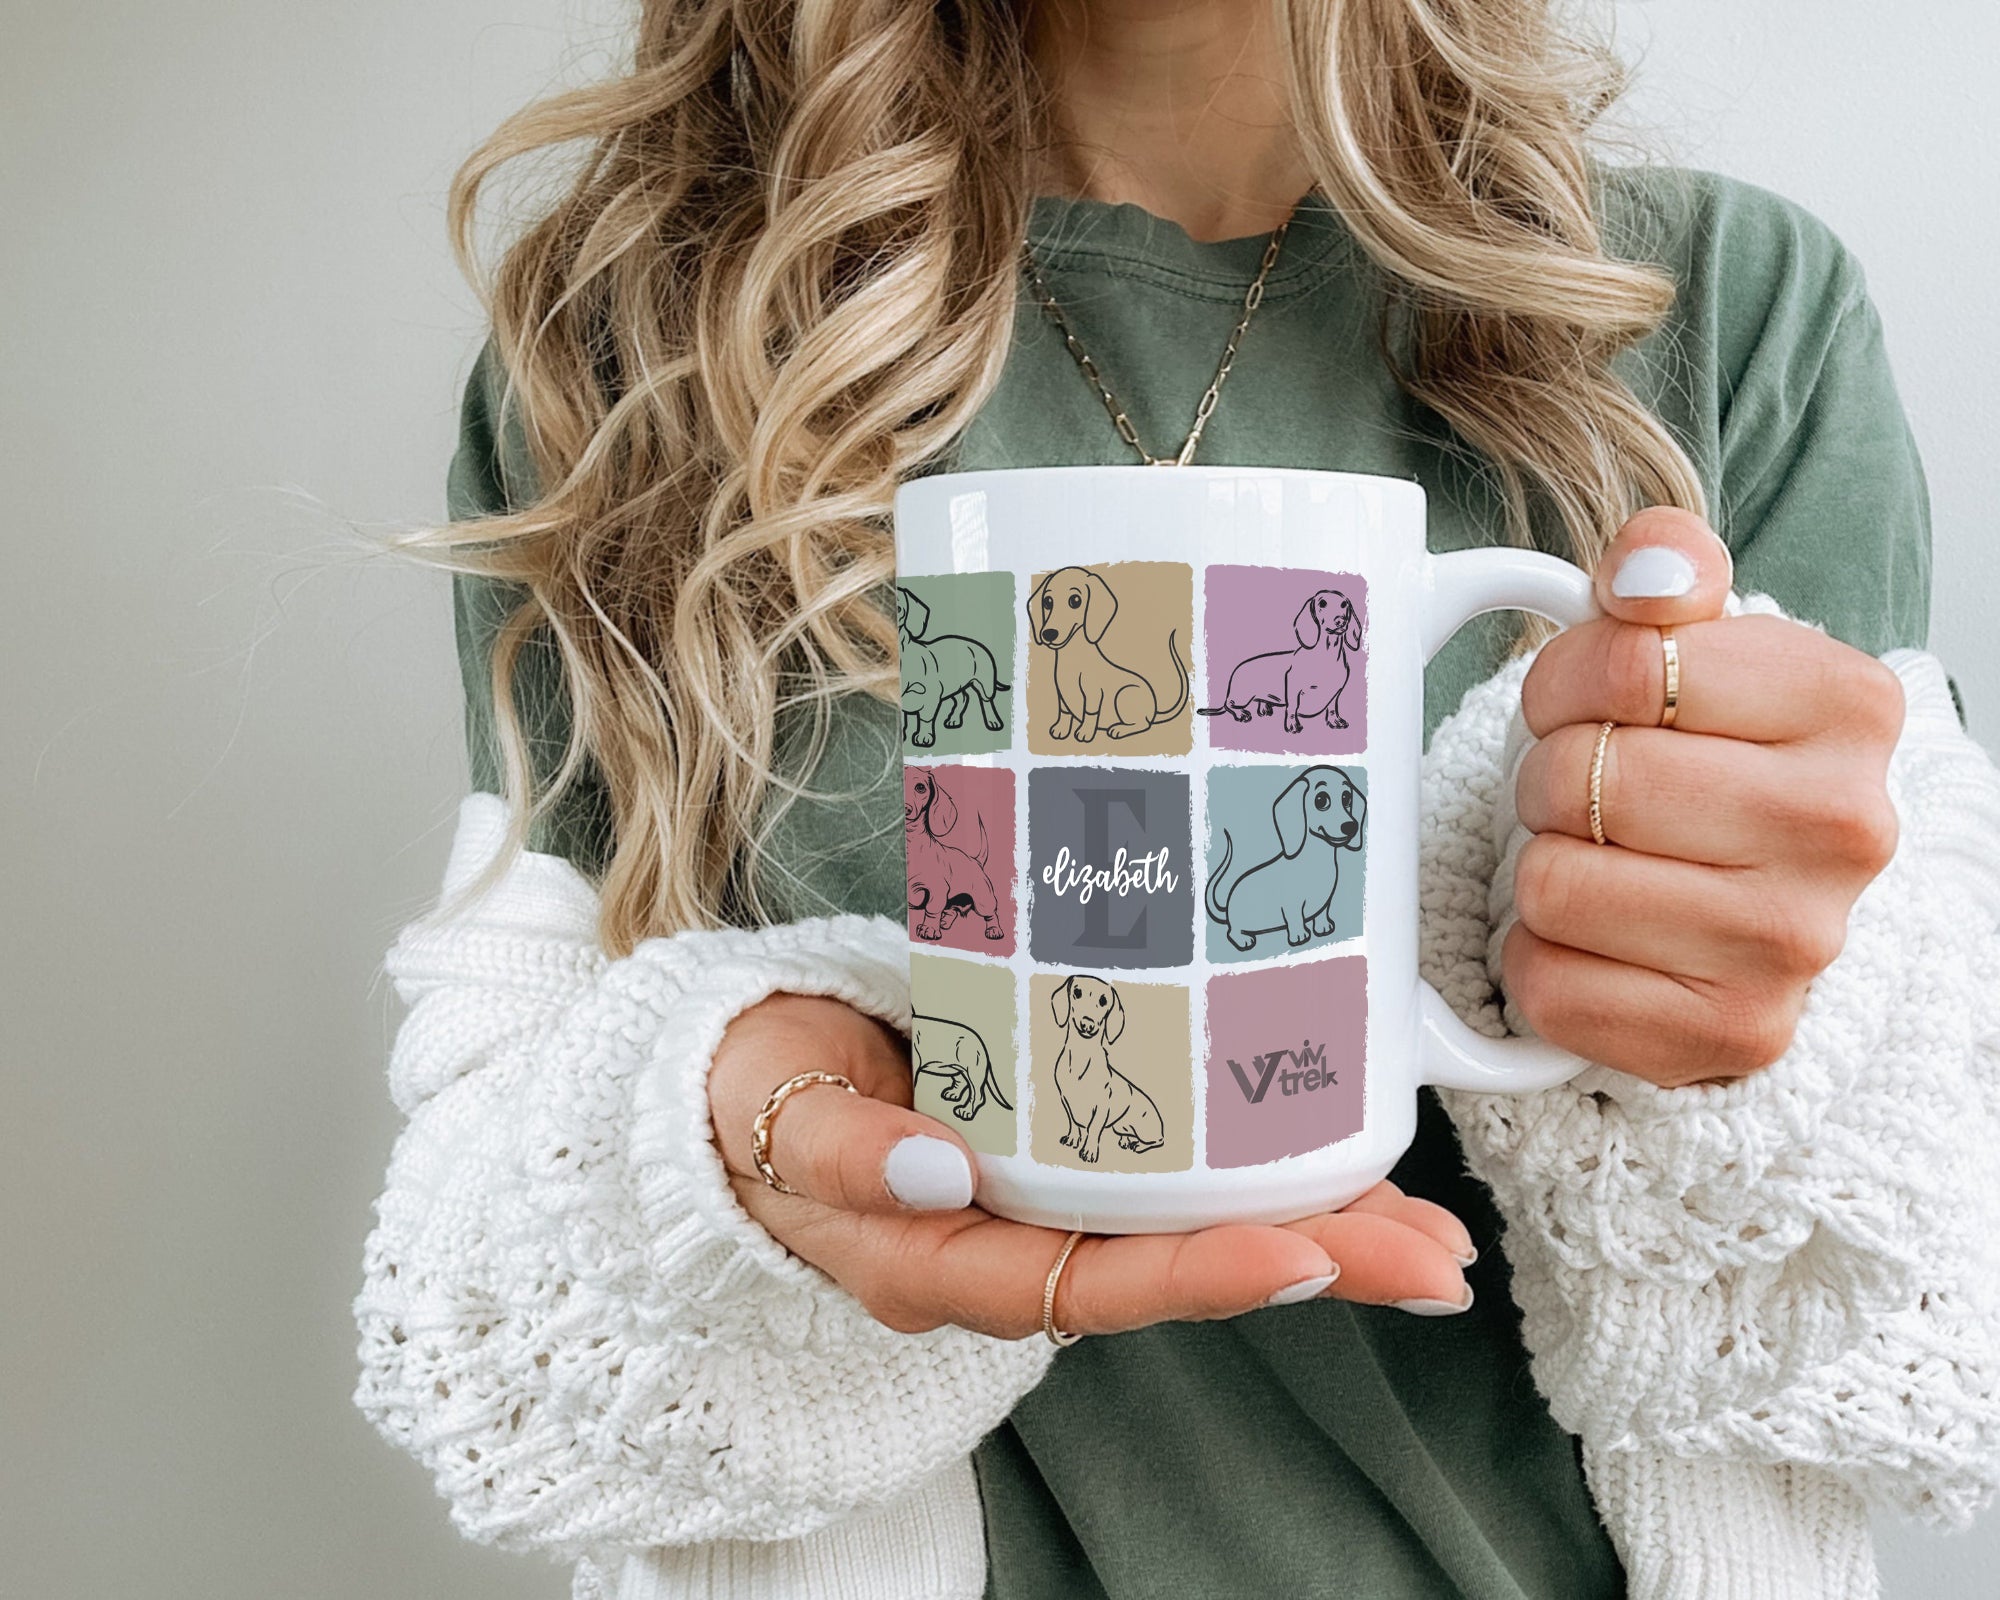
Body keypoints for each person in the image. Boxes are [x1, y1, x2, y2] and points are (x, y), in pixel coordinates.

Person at [351, 1, 2000, 1595]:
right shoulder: (631, 350)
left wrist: (1756, 1018)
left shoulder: (1717, 309)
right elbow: (483, 1277)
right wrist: (706, 1164)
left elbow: (1923, 1282)